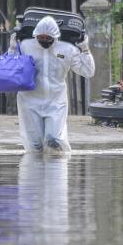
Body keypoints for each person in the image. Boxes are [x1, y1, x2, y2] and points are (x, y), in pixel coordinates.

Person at [9, 16, 95, 153]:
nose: (44, 41)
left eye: (48, 38)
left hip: (56, 101)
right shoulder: (26, 46)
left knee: (54, 141)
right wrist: (13, 48)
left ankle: (56, 172)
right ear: (35, 35)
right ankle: (34, 172)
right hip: (29, 101)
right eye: (40, 38)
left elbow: (88, 71)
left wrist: (85, 50)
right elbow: (12, 67)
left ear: (55, 37)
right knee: (34, 145)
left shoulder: (67, 50)